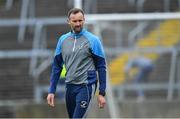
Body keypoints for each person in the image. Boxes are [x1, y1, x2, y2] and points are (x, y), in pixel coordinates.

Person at [47, 8, 107, 118]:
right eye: (75, 21)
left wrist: (102, 93)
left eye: (80, 20)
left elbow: (101, 67)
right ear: (68, 22)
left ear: (84, 20)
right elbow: (56, 66)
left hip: (86, 86)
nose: (78, 24)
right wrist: (51, 91)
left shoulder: (93, 40)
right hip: (69, 86)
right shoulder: (62, 40)